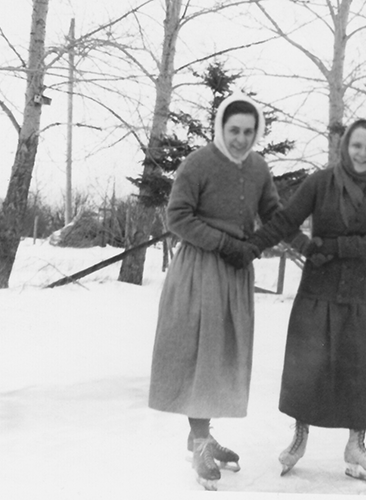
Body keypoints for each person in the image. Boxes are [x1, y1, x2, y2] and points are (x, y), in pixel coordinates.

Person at [147, 93, 290, 491]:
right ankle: (201, 443)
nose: (242, 139)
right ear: (220, 129)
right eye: (234, 131)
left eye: (248, 131)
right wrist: (225, 244)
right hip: (201, 268)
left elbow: (274, 215)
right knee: (202, 353)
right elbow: (177, 216)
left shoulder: (259, 167)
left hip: (236, 271)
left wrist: (267, 243)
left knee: (225, 354)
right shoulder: (198, 163)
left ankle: (200, 436)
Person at [248, 119, 366, 485]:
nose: (361, 153)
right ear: (345, 146)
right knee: (308, 369)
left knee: (361, 370)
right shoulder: (320, 182)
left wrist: (334, 246)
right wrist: (250, 247)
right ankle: (299, 438)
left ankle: (356, 445)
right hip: (319, 292)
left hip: (363, 295)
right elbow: (285, 220)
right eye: (356, 145)